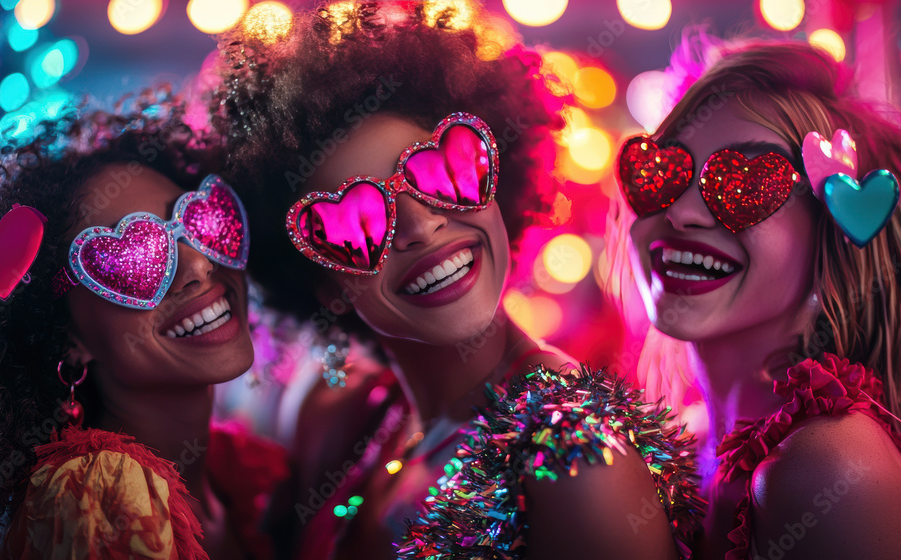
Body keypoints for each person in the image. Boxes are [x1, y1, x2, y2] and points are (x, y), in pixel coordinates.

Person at [215, 3, 703, 558]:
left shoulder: (576, 458)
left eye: (439, 170)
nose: (422, 225)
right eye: (359, 220)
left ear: (496, 180)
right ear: (325, 284)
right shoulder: (366, 421)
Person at [0, 91, 287, 559]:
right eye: (136, 255)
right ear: (68, 339)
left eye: (202, 220)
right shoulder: (100, 498)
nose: (199, 267)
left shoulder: (240, 472)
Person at [615, 38, 901, 558]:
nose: (681, 213)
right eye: (663, 174)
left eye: (745, 184)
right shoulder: (686, 439)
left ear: (834, 234)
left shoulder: (828, 463)